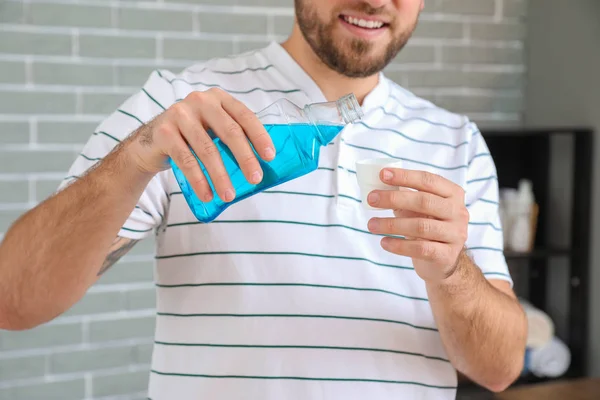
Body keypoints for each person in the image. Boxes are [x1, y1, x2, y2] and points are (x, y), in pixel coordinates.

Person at [0, 0, 528, 398]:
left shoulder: (456, 140)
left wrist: (452, 271)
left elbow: (500, 369)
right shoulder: (179, 108)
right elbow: (15, 300)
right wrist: (136, 156)